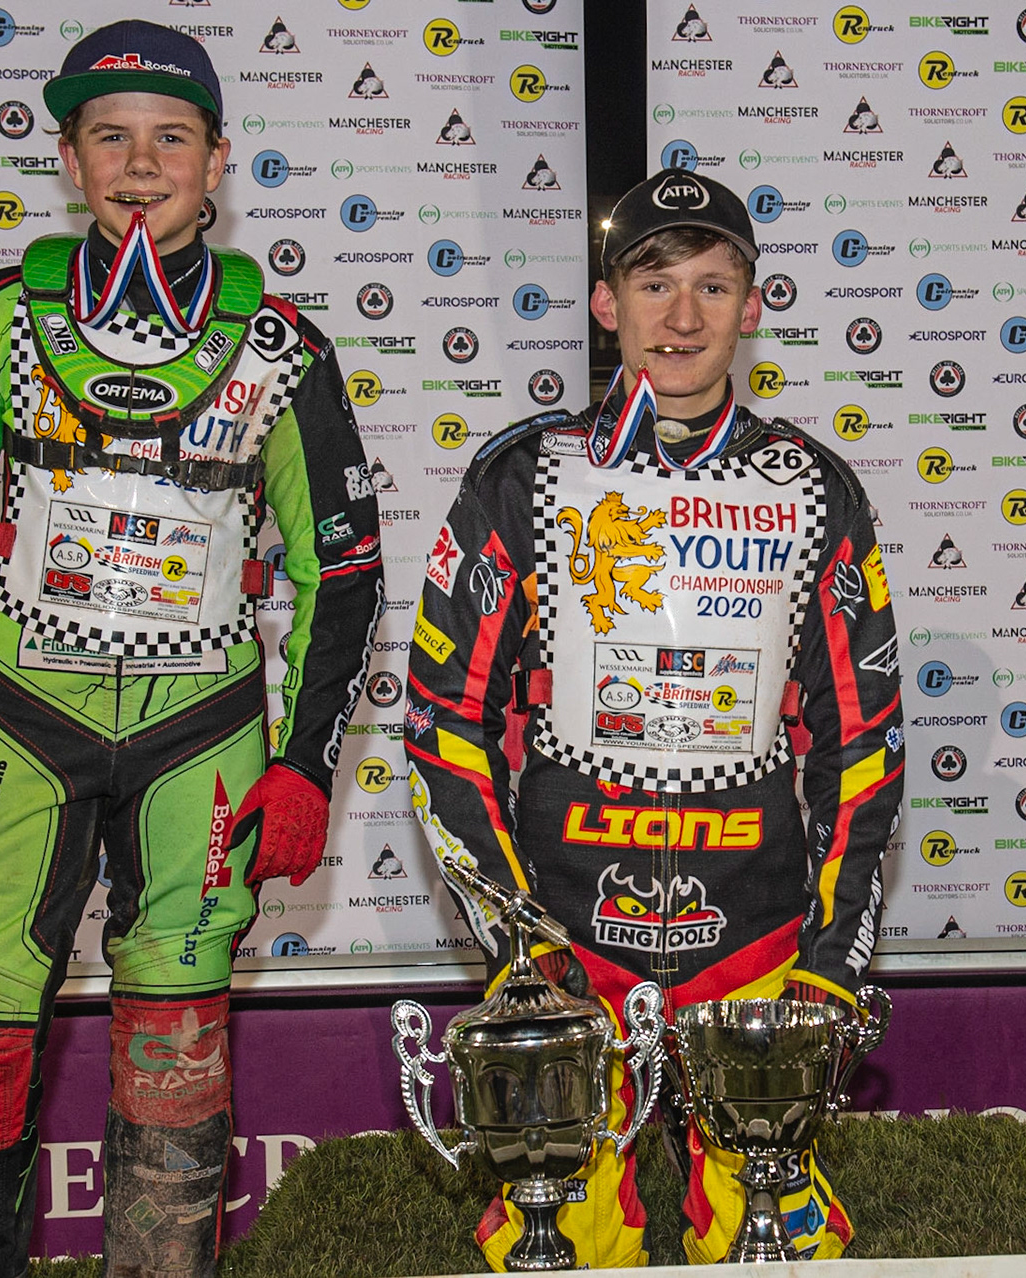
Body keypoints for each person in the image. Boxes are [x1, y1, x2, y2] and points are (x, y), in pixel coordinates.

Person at [0, 21, 384, 1276]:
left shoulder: (282, 345)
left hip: (199, 738)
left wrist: (307, 762)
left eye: (171, 138)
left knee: (175, 1045)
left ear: (217, 162)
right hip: (21, 727)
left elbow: (344, 566)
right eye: (112, 138)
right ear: (69, 158)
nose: (141, 165)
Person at [403, 168, 904, 1267]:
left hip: (759, 938)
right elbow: (443, 723)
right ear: (605, 303)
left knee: (779, 1233)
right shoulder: (522, 478)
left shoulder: (815, 488)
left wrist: (833, 956)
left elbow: (863, 743)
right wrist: (518, 946)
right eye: (655, 283)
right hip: (573, 936)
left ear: (754, 306)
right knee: (559, 1239)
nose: (682, 317)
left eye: (713, 286)